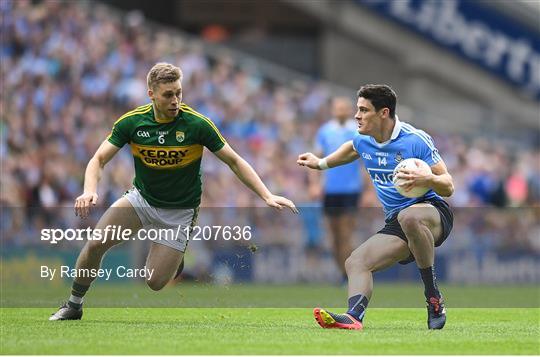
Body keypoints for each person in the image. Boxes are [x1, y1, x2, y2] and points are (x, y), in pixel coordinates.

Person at [49, 62, 297, 321]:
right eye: (168, 94)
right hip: (141, 199)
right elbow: (98, 159)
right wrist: (89, 190)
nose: (175, 100)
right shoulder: (132, 123)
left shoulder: (197, 124)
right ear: (151, 94)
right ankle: (73, 305)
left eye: (179, 93)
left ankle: (174, 259)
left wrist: (266, 195)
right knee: (96, 243)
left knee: (154, 282)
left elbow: (234, 161)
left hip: (179, 212)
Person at [297, 84, 454, 330]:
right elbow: (351, 149)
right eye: (357, 109)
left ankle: (433, 297)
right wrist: (321, 163)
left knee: (410, 217)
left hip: (431, 212)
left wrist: (428, 180)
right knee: (355, 262)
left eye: (363, 110)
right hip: (398, 222)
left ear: (383, 113)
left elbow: (448, 186)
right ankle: (353, 317)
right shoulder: (363, 140)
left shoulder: (415, 140)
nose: (356, 115)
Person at [309, 97, 363, 281]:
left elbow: (365, 161)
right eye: (338, 108)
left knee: (345, 233)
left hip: (351, 190)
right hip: (330, 191)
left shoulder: (357, 131)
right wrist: (314, 184)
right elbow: (315, 158)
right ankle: (343, 272)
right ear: (333, 110)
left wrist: (370, 190)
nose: (341, 111)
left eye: (345, 108)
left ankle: (351, 274)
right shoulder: (324, 131)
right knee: (334, 237)